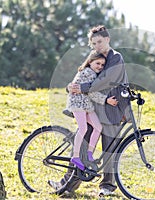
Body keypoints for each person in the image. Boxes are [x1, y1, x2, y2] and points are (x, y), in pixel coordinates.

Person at [49, 25, 128, 197]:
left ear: (107, 39)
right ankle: (67, 185)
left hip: (112, 109)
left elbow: (105, 81)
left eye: (99, 41)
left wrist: (80, 88)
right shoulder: (95, 57)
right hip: (92, 108)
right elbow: (83, 73)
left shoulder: (116, 58)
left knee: (109, 149)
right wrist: (71, 87)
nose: (97, 46)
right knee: (81, 147)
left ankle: (107, 186)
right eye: (93, 43)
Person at [66, 50, 118, 171]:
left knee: (98, 127)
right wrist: (106, 100)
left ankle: (90, 153)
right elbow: (92, 92)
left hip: (87, 105)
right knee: (83, 128)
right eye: (97, 63)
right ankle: (75, 156)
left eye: (102, 65)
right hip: (78, 103)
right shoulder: (87, 72)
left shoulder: (93, 74)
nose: (100, 66)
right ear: (90, 62)